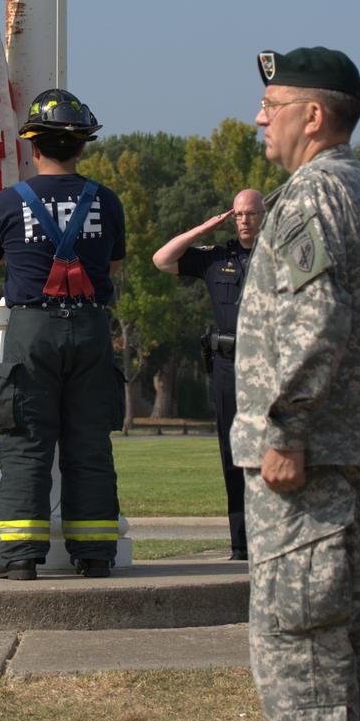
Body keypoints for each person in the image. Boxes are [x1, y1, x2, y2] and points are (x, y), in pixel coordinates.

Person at [232, 46, 360, 721]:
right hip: (358, 455)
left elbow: (315, 319)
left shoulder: (311, 195)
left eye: (270, 109)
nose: (257, 119)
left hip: (315, 466)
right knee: (337, 645)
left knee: (299, 652)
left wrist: (286, 430)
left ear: (311, 116)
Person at [0, 89, 126, 581]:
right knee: (89, 441)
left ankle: (21, 555)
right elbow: (113, 262)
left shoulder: (7, 202)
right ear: (82, 146)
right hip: (89, 328)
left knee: (26, 440)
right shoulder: (105, 201)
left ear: (32, 147)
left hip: (32, 330)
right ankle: (95, 553)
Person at [152, 189, 265, 559]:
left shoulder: (279, 256)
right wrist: (202, 230)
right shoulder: (218, 258)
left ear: (264, 214)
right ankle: (240, 545)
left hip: (270, 367)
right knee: (232, 455)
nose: (244, 220)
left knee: (273, 454)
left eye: (250, 213)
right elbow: (162, 260)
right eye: (238, 214)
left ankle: (273, 539)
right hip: (228, 367)